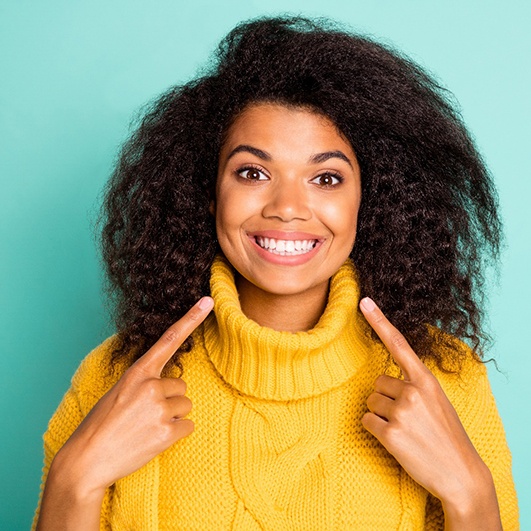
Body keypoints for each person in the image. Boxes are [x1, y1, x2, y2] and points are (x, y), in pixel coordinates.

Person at [34, 16, 519, 530]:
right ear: (207, 189)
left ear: (373, 202)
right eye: (252, 172)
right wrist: (75, 476)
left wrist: (470, 494)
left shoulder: (446, 382)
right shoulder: (113, 379)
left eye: (326, 177)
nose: (288, 207)